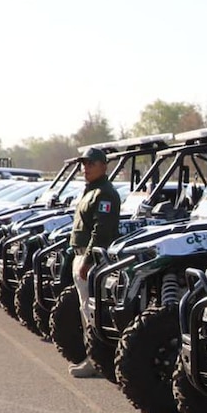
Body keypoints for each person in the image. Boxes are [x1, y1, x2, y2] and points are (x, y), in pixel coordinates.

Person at [67, 147, 122, 378]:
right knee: (85, 309)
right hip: (81, 256)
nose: (86, 168)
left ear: (103, 166)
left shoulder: (104, 194)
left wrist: (88, 260)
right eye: (84, 164)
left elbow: (102, 232)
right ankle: (92, 357)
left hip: (92, 261)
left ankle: (96, 360)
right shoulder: (91, 191)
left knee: (91, 312)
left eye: (91, 163)